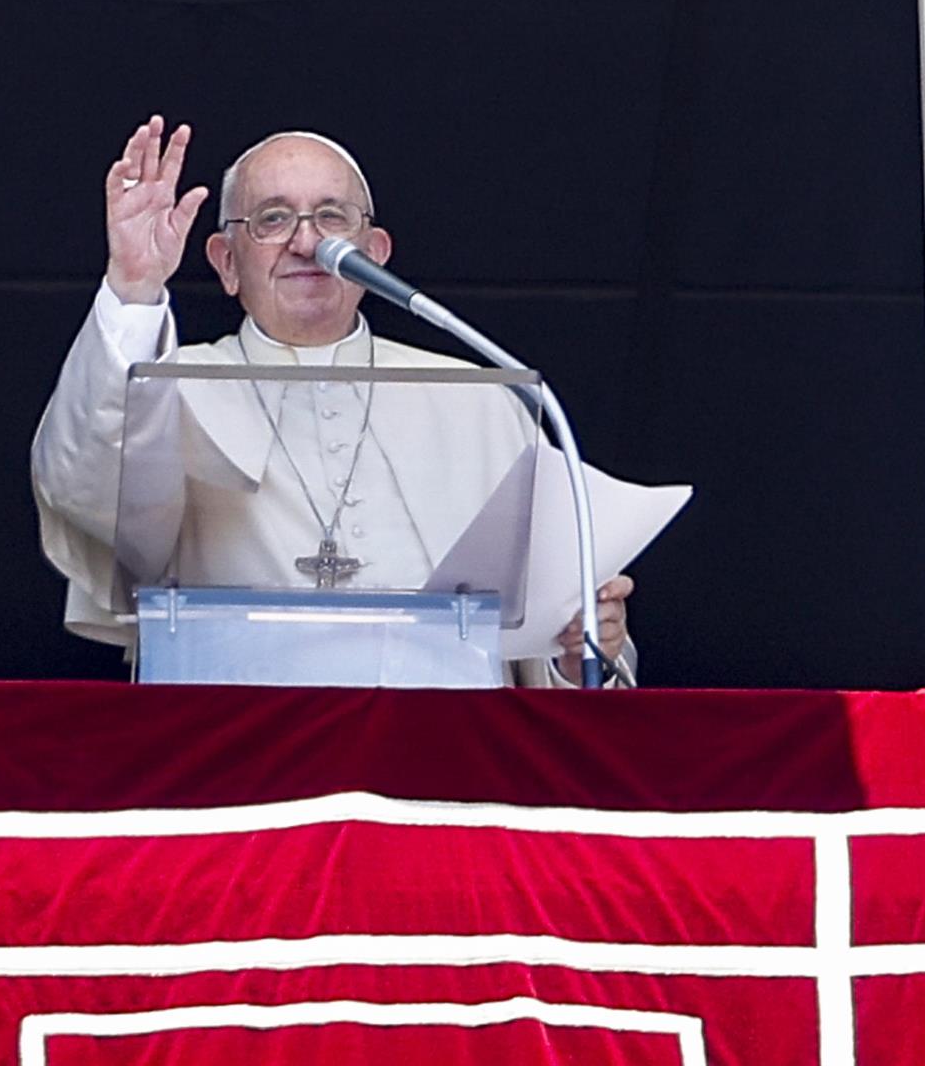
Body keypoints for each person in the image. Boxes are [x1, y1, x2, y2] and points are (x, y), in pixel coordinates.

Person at [31, 114, 635, 687]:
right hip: (241, 761)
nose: (306, 242)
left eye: (331, 217)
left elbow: (557, 643)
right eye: (271, 219)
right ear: (225, 263)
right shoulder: (167, 388)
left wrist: (584, 648)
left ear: (375, 251)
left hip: (442, 768)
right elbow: (85, 486)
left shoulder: (479, 398)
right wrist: (134, 289)